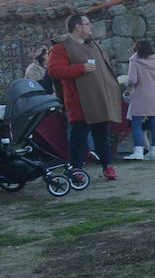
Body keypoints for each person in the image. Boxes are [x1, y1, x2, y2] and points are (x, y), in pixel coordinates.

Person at [48, 14, 122, 181]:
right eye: (87, 24)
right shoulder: (61, 47)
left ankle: (107, 167)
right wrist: (80, 68)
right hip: (78, 102)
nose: (91, 27)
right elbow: (55, 71)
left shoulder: (92, 45)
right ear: (77, 27)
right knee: (78, 138)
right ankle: (77, 170)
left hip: (98, 100)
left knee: (102, 136)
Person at [124, 40, 155, 161]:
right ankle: (154, 151)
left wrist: (125, 82)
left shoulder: (134, 60)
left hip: (140, 95)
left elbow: (132, 80)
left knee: (136, 123)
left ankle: (138, 150)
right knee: (154, 123)